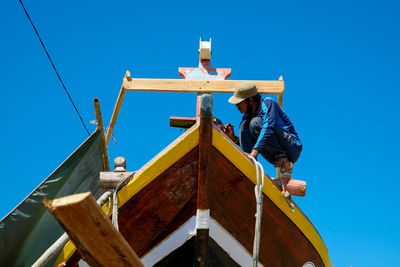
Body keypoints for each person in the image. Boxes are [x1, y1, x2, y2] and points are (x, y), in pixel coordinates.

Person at [222, 82, 302, 177]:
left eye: (239, 103)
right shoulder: (246, 118)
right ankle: (250, 164)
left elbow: (268, 128)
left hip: (291, 148)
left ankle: (283, 158)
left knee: (255, 123)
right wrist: (234, 138)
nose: (236, 106)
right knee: (244, 125)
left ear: (250, 101)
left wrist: (254, 152)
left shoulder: (268, 103)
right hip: (274, 156)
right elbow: (253, 141)